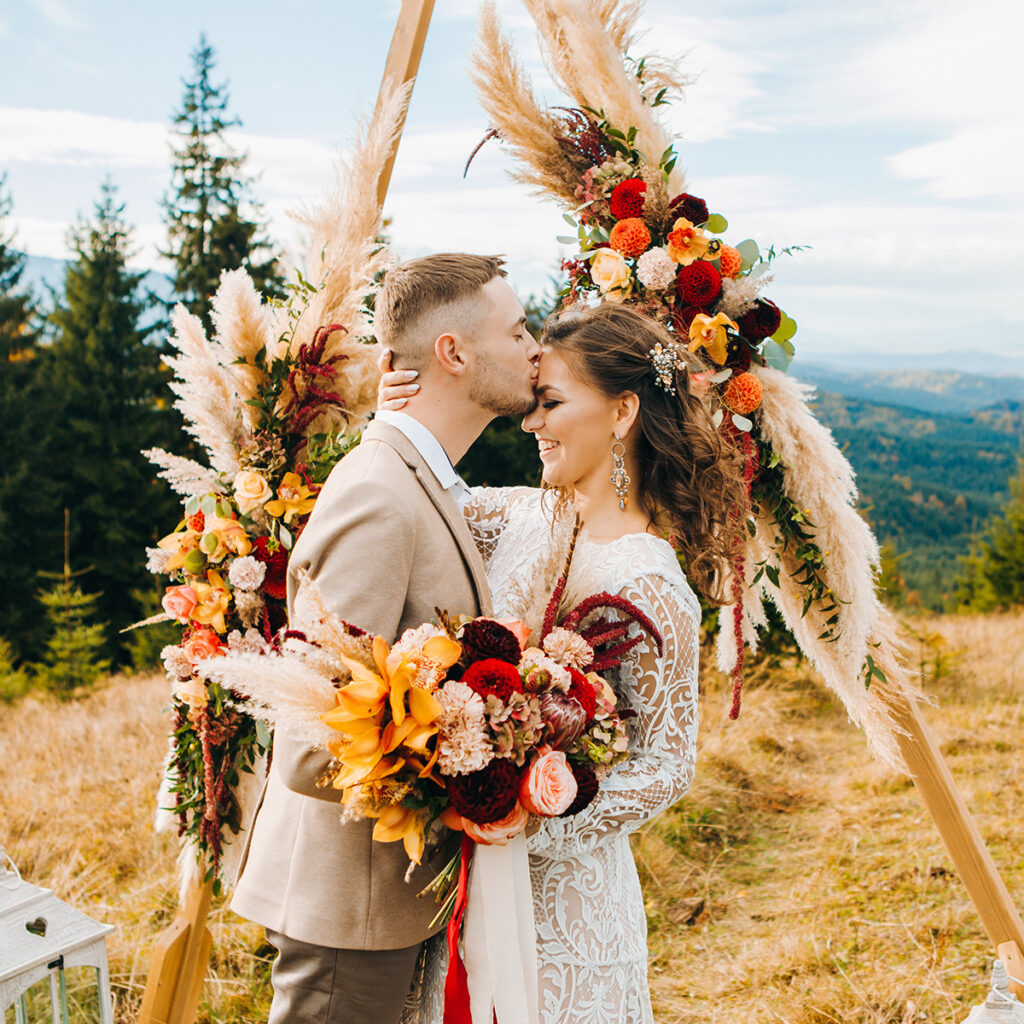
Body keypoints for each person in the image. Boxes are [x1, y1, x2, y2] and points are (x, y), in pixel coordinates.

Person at [380, 302, 749, 1024]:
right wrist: (392, 417)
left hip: (568, 913)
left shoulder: (648, 581)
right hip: (466, 890)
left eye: (549, 403)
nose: (531, 423)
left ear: (621, 413)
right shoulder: (517, 514)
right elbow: (411, 499)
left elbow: (667, 765)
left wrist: (537, 809)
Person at [230, 252, 541, 1024]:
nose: (536, 348)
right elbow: (311, 741)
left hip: (386, 905)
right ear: (454, 352)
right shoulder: (380, 496)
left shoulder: (420, 479)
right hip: (348, 911)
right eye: (519, 330)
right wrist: (469, 775)